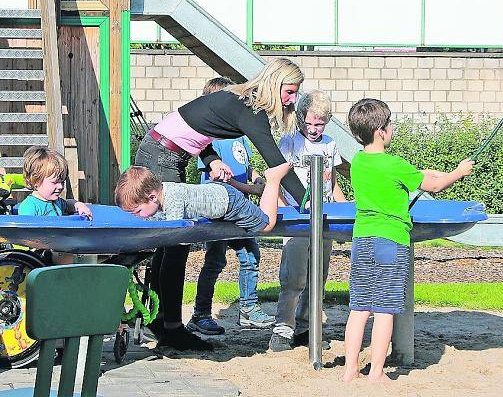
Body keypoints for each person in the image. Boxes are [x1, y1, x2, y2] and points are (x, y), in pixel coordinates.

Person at [134, 58, 307, 351]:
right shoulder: (250, 110)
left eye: (295, 93)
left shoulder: (238, 100)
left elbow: (196, 126)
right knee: (176, 243)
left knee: (168, 245)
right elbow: (276, 164)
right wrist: (308, 202)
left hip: (161, 151)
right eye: (289, 92)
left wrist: (210, 158)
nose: (292, 100)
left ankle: (161, 322)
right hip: (161, 157)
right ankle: (172, 330)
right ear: (274, 83)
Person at [341, 98, 473, 383]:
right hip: (391, 241)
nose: (392, 128)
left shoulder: (359, 162)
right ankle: (376, 372)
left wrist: (438, 173)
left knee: (360, 308)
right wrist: (459, 173)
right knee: (385, 308)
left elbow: (418, 175)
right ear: (381, 131)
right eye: (390, 124)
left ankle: (349, 371)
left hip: (362, 239)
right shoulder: (395, 164)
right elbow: (434, 185)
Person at [188, 77, 275, 336]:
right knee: (215, 260)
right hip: (220, 211)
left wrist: (258, 179)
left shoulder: (238, 136)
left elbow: (245, 168)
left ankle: (248, 307)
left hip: (241, 211)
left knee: (250, 255)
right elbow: (219, 180)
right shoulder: (210, 142)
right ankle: (200, 313)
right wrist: (252, 190)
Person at [268, 90, 347, 352]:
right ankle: (283, 328)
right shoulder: (290, 143)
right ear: (301, 119)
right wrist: (281, 211)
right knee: (294, 277)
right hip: (299, 218)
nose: (313, 129)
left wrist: (344, 211)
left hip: (324, 218)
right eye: (309, 123)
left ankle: (306, 325)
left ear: (327, 121)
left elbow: (332, 182)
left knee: (318, 276)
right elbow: (277, 179)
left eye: (319, 124)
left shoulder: (330, 145)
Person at [114, 162, 292, 234]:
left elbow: (172, 231)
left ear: (152, 197)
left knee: (266, 224)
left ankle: (273, 179)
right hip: (217, 196)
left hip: (229, 202)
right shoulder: (161, 193)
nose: (136, 215)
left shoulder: (173, 198)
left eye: (137, 211)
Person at [17, 146, 92, 264]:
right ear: (36, 181)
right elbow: (25, 234)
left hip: (58, 246)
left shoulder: (57, 202)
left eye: (62, 181)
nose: (60, 186)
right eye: (55, 182)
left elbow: (68, 203)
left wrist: (79, 205)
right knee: (65, 252)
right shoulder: (30, 205)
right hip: (38, 253)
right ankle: (67, 278)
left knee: (84, 248)